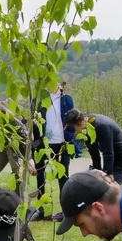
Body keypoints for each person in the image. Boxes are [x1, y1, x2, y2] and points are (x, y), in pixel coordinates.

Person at [33, 82, 75, 218]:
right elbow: (33, 122)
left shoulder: (67, 99)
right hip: (44, 144)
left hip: (63, 143)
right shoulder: (39, 100)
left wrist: (70, 140)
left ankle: (65, 211)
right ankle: (41, 211)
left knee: (63, 176)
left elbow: (72, 120)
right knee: (40, 176)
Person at [65, 110, 122, 184]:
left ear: (80, 123)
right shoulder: (86, 128)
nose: (75, 131)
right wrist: (97, 171)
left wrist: (108, 174)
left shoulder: (101, 125)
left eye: (74, 128)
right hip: (112, 154)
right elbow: (94, 153)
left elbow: (108, 152)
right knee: (101, 184)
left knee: (111, 188)